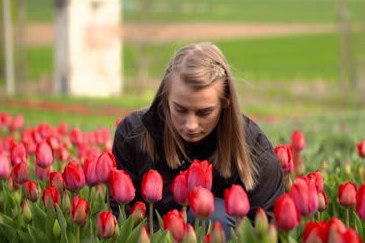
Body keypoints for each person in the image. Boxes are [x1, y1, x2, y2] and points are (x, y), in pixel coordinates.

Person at [111, 42, 284, 239]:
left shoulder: (252, 147)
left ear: (225, 102)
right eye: (180, 109)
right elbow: (119, 214)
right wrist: (173, 234)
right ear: (165, 97)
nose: (191, 124)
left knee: (211, 215)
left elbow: (269, 229)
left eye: (205, 112)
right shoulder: (135, 133)